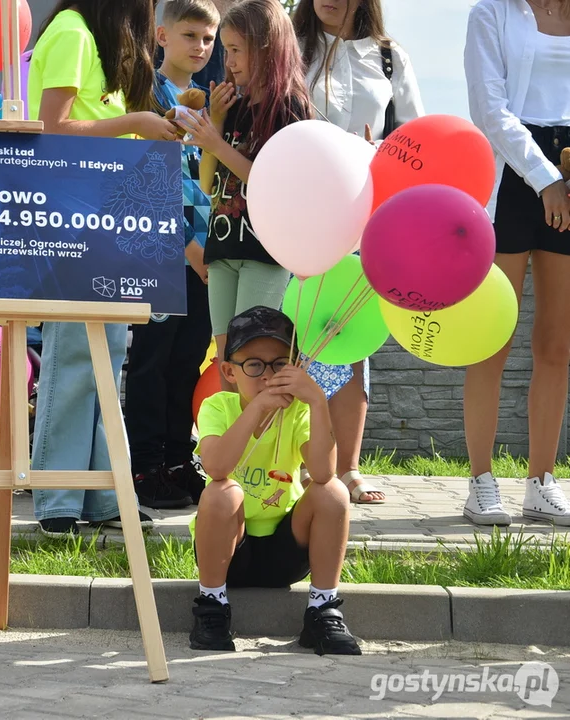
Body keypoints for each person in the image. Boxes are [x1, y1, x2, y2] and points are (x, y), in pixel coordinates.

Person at [27, 0, 177, 537]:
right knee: (72, 358)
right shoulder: (71, 31)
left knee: (107, 360)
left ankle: (103, 495)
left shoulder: (102, 40)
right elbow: (54, 125)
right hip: (75, 217)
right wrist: (138, 122)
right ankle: (59, 499)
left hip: (115, 216)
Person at [292, 0, 424, 505]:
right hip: (297, 213)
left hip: (364, 216)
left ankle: (346, 468)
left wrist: (378, 152)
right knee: (296, 335)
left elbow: (412, 138)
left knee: (352, 344)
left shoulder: (390, 58)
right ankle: (292, 462)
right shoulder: (290, 47)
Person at [189, 306, 360, 656]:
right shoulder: (218, 406)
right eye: (254, 365)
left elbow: (324, 473)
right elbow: (216, 467)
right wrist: (257, 408)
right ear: (229, 371)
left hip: (286, 551)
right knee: (223, 492)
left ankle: (323, 609)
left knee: (334, 493)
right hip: (229, 551)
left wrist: (316, 401)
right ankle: (211, 606)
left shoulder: (299, 410)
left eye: (280, 364)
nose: (268, 376)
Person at [461, 0, 570, 526]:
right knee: (492, 338)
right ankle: (480, 482)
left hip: (568, 173)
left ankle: (541, 482)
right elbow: (489, 107)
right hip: (514, 176)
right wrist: (544, 176)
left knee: (557, 343)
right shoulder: (492, 13)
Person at [176, 0, 312, 389]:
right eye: (227, 49)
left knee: (256, 359)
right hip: (223, 249)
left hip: (263, 252)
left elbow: (271, 184)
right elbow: (206, 185)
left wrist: (216, 144)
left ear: (266, 47)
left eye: (236, 49)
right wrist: (215, 123)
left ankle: (263, 445)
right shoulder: (232, 105)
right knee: (228, 363)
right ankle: (230, 447)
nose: (228, 59)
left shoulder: (289, 107)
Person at [125, 0, 220, 510]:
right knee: (151, 362)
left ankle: (180, 461)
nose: (201, 47)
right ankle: (145, 466)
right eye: (190, 36)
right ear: (161, 36)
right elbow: (149, 180)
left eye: (209, 39)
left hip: (206, 254)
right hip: (161, 252)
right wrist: (188, 245)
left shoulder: (212, 104)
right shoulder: (147, 95)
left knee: (187, 360)